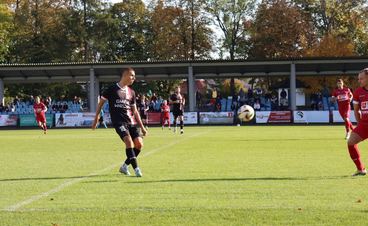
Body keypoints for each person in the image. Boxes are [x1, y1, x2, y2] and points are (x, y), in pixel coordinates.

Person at [92, 68, 147, 177]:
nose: (133, 78)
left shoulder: (132, 92)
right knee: (128, 141)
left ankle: (124, 166)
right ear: (125, 75)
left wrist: (142, 127)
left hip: (131, 122)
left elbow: (135, 111)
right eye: (132, 75)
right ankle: (136, 169)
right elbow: (100, 104)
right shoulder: (112, 89)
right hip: (119, 122)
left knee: (139, 144)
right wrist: (96, 118)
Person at [347, 68, 368, 176]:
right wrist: (360, 124)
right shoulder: (358, 92)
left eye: (361, 78)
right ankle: (361, 169)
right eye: (358, 79)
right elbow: (356, 110)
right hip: (364, 124)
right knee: (350, 142)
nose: (359, 81)